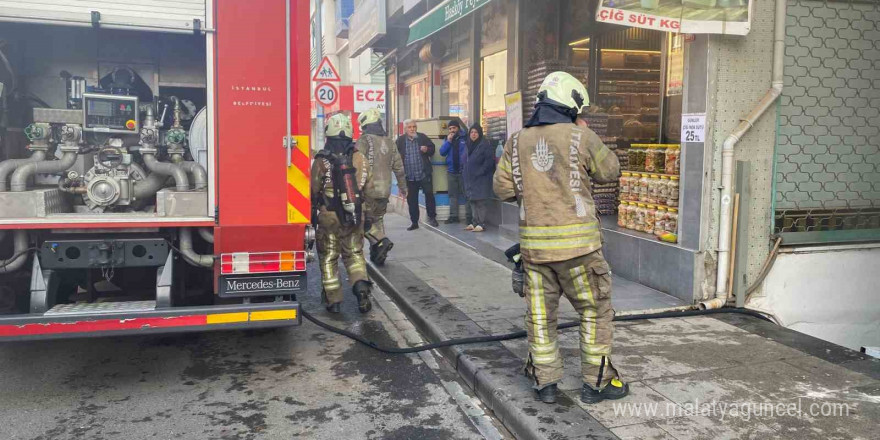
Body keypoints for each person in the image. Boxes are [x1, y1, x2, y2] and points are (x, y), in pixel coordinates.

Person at [493, 72, 625, 405]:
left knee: (540, 318)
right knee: (594, 313)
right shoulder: (581, 136)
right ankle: (598, 384)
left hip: (535, 253)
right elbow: (610, 171)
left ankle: (545, 383)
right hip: (580, 251)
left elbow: (502, 189)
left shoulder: (516, 140)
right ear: (572, 104)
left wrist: (533, 194)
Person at [311, 113, 373, 314]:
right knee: (354, 253)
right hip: (355, 214)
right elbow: (368, 189)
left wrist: (312, 213)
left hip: (329, 216)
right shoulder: (360, 157)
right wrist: (368, 215)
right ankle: (361, 288)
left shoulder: (322, 160)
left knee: (329, 256)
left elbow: (313, 189)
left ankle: (334, 300)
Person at [356, 108, 407, 265]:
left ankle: (380, 243)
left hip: (368, 191)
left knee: (362, 221)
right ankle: (379, 255)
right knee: (378, 220)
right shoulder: (390, 142)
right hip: (385, 190)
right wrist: (403, 187)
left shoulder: (364, 141)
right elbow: (399, 167)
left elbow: (357, 164)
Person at [395, 119, 438, 229]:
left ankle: (432, 218)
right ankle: (414, 222)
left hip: (423, 173)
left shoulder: (422, 137)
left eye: (414, 127)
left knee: (429, 195)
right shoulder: (400, 141)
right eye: (410, 127)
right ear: (405, 129)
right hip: (409, 176)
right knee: (412, 200)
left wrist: (427, 149)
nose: (412, 129)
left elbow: (432, 149)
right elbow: (395, 156)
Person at [439, 119, 472, 225]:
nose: (452, 130)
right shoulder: (448, 139)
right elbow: (442, 152)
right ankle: (453, 216)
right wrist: (448, 141)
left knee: (467, 194)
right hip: (451, 171)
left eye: (454, 128)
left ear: (458, 128)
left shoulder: (466, 138)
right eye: (450, 129)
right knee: (453, 195)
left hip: (463, 172)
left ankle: (469, 217)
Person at [463, 123, 495, 232]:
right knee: (472, 201)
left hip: (481, 178)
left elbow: (489, 162)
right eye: (471, 132)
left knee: (480, 201)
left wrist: (480, 172)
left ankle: (481, 223)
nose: (473, 134)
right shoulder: (467, 145)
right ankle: (474, 222)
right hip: (470, 178)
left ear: (480, 133)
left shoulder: (485, 145)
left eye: (476, 132)